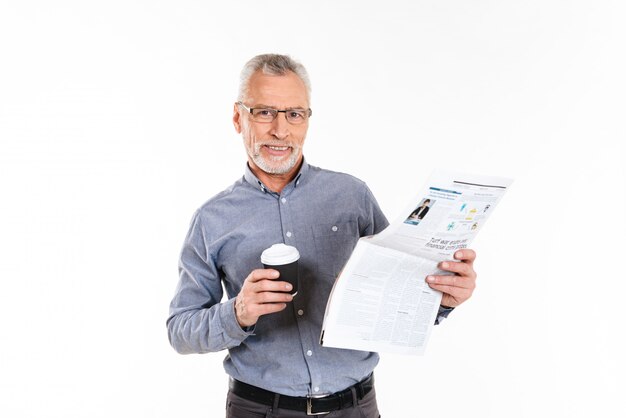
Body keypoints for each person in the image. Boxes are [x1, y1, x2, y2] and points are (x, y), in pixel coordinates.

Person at [167, 54, 478, 418]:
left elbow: (398, 292)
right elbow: (180, 330)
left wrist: (445, 298)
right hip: (260, 409)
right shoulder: (211, 219)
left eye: (294, 114)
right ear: (238, 118)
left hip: (355, 407)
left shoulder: (352, 196)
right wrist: (238, 312)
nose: (280, 130)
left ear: (307, 120)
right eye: (264, 112)